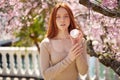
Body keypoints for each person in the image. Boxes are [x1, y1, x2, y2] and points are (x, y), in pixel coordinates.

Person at [40, 2, 88, 80]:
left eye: (66, 16)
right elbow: (46, 75)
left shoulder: (81, 41)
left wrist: (76, 46)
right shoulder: (46, 44)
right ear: (54, 20)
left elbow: (83, 71)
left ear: (70, 18)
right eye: (58, 17)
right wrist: (69, 59)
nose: (62, 20)